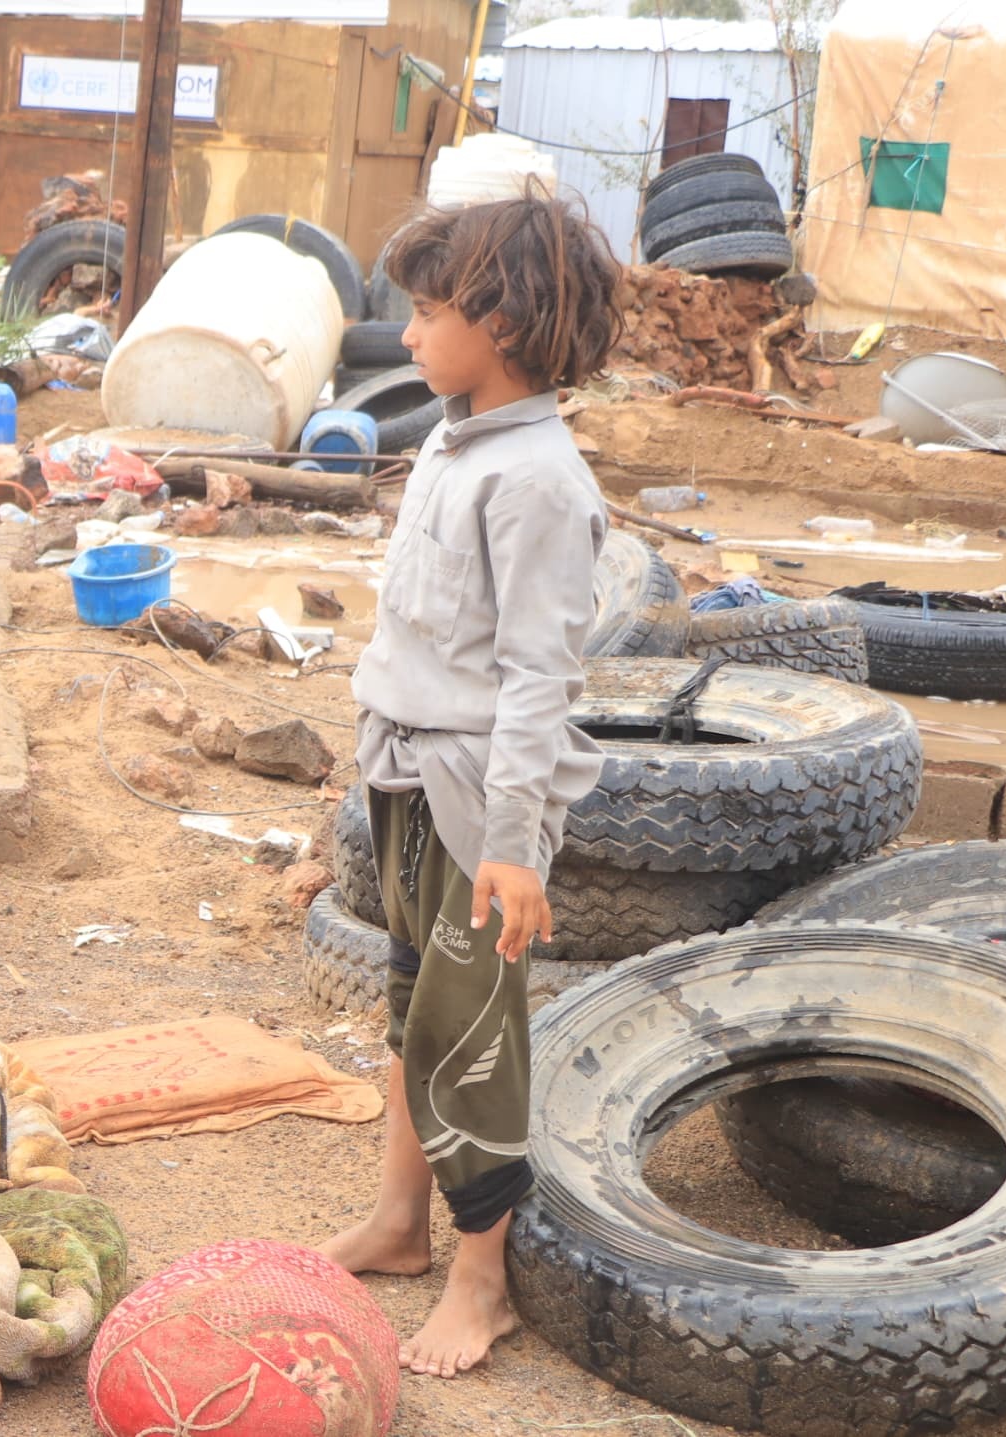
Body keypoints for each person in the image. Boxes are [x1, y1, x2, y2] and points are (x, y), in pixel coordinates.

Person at [316, 191, 620, 1377]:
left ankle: (480, 1279)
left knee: (471, 1037)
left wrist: (513, 845)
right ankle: (399, 1226)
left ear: (501, 321)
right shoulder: (451, 438)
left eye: (432, 312)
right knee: (409, 1011)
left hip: (473, 800)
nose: (406, 336)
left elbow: (539, 680)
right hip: (404, 772)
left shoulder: (541, 482)